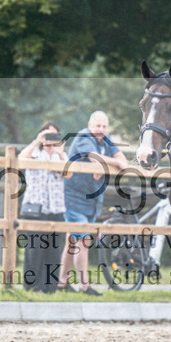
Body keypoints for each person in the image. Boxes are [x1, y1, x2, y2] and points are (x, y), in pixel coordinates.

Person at [57, 111, 127, 296]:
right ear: (90, 125)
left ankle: (61, 283)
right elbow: (95, 157)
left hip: (92, 199)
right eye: (98, 126)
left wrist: (116, 163)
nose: (101, 130)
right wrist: (115, 164)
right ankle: (85, 286)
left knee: (73, 240)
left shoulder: (105, 138)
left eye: (104, 126)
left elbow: (123, 159)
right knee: (84, 239)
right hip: (75, 196)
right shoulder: (84, 137)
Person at [19, 122, 67, 293]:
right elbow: (20, 160)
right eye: (46, 134)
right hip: (35, 207)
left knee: (53, 249)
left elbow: (69, 173)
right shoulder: (34, 153)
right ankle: (32, 286)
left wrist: (61, 154)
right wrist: (36, 142)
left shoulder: (60, 155)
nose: (49, 138)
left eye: (53, 135)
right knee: (34, 249)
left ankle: (49, 287)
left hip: (55, 208)